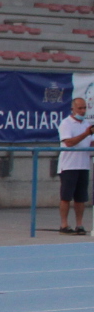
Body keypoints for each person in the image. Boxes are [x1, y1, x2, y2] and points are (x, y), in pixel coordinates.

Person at [59, 98, 94, 235]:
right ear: (73, 109)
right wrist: (86, 133)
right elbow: (69, 143)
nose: (83, 111)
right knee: (66, 196)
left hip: (83, 165)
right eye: (80, 108)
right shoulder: (66, 123)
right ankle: (64, 224)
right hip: (69, 165)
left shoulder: (87, 124)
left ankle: (79, 225)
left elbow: (90, 143)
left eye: (84, 108)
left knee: (81, 198)